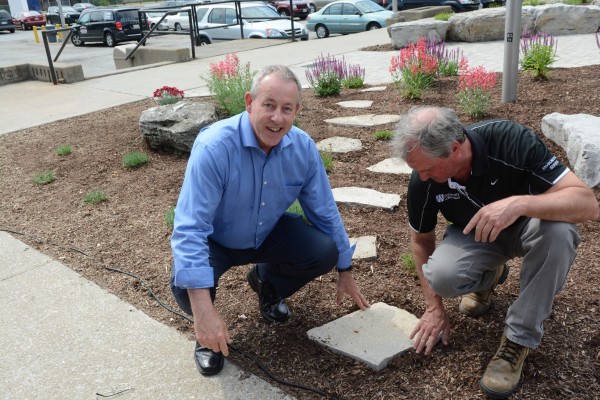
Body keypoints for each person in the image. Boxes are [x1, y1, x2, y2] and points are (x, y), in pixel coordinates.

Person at [170, 65, 370, 376]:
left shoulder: (302, 147)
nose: (277, 118)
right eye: (268, 105)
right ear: (249, 102)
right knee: (186, 286)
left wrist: (345, 267)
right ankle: (207, 337)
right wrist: (204, 312)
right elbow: (190, 228)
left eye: (286, 109)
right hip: (217, 241)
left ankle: (267, 283)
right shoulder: (214, 147)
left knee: (323, 250)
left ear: (296, 111)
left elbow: (324, 210)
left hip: (267, 234)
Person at [392, 106, 599, 399]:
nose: (422, 178)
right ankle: (490, 276)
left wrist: (519, 204)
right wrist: (433, 308)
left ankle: (518, 339)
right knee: (441, 275)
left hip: (531, 228)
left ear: (454, 148)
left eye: (427, 169)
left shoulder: (511, 140)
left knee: (560, 233)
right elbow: (421, 240)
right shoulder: (423, 181)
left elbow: (587, 204)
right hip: (476, 236)